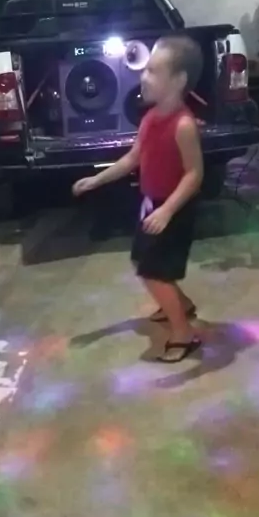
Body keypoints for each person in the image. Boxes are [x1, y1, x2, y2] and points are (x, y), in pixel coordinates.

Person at [73, 35, 204, 363]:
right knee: (142, 261)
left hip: (173, 208)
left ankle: (183, 333)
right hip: (151, 204)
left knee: (154, 272)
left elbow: (194, 174)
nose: (143, 77)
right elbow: (133, 158)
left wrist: (167, 211)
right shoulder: (150, 118)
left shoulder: (183, 125)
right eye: (145, 69)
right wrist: (97, 180)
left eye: (153, 71)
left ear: (179, 81)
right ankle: (181, 304)